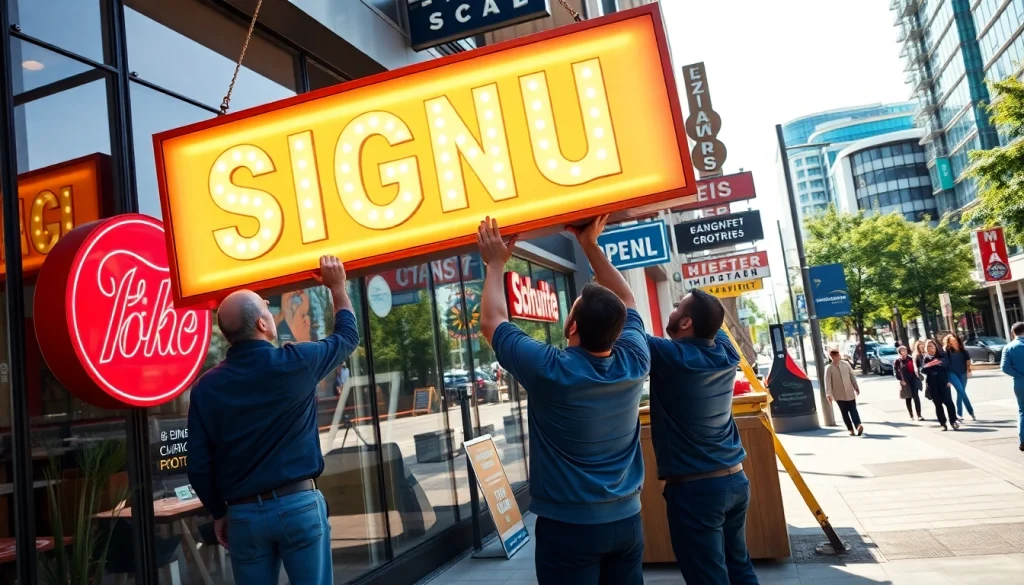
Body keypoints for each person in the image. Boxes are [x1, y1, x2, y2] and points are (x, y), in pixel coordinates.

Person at [477, 215, 649, 585]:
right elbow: (627, 299)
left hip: (570, 530)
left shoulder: (551, 370)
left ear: (571, 327)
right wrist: (590, 246)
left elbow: (492, 321)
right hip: (626, 522)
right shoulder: (635, 361)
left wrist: (494, 264)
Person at [187, 256, 358, 585]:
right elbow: (348, 336)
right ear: (263, 326)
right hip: (299, 506)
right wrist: (337, 286)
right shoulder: (297, 362)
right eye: (266, 308)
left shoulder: (206, 387)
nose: (269, 308)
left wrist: (219, 512)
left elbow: (198, 464)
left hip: (244, 516)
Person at [646, 289, 759, 585]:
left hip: (697, 491)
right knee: (739, 566)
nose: (671, 311)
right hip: (735, 480)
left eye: (676, 307)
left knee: (709, 577)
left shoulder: (669, 355)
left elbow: (628, 322)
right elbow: (715, 323)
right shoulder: (727, 352)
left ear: (685, 323)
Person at [921, 339, 959, 431]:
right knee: (938, 404)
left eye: (932, 346)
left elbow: (948, 367)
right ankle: (942, 423)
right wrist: (928, 366)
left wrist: (949, 380)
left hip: (944, 382)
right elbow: (922, 370)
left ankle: (953, 421)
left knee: (948, 402)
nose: (931, 348)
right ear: (925, 349)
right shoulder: (925, 358)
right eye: (928, 347)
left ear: (936, 347)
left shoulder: (942, 355)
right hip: (932, 384)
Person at [824, 349, 863, 436]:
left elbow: (852, 376)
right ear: (831, 357)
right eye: (835, 356)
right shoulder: (829, 368)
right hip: (838, 395)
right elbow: (827, 382)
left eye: (838, 355)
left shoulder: (846, 364)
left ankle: (858, 426)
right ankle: (850, 429)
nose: (837, 357)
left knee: (853, 410)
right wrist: (828, 394)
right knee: (844, 412)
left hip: (849, 393)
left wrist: (856, 387)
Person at [1000, 322, 1024, 451]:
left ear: (1012, 332)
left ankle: (1023, 440)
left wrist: (1019, 375)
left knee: (1022, 411)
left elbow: (1004, 368)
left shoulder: (1009, 347)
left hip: (1020, 382)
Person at [944, 334, 976, 421]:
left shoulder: (963, 350)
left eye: (955, 340)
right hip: (952, 374)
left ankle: (959, 413)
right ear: (949, 343)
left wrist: (969, 371)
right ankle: (971, 411)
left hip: (963, 373)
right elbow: (946, 364)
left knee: (960, 393)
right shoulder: (947, 351)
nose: (954, 343)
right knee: (961, 391)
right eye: (951, 341)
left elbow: (968, 361)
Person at [894, 345, 924, 421]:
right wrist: (900, 379)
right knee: (908, 397)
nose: (904, 352)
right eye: (902, 351)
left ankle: (919, 415)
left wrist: (918, 373)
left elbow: (918, 367)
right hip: (905, 380)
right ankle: (911, 414)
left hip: (913, 378)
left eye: (905, 350)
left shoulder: (911, 358)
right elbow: (895, 371)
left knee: (916, 396)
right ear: (899, 352)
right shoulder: (898, 361)